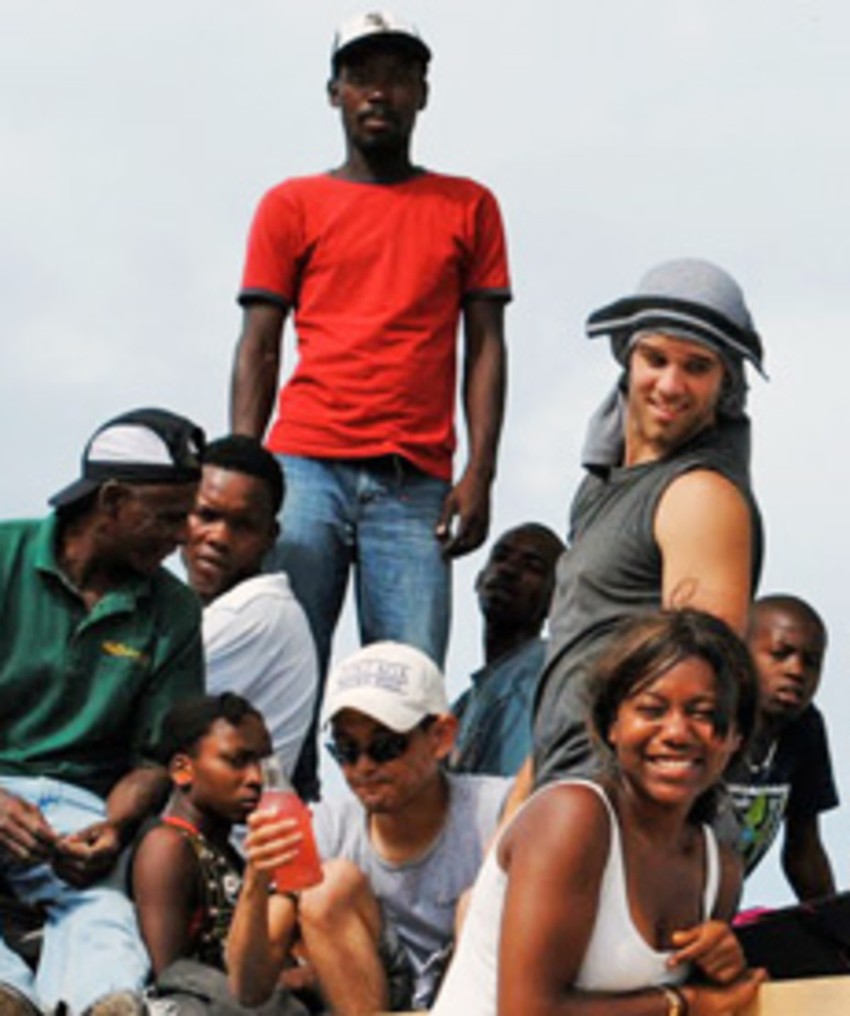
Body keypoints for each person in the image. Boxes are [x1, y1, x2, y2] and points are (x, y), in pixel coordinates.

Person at [230, 11, 511, 797]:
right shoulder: (290, 204)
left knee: (409, 689)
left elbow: (485, 343)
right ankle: (279, 862)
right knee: (283, 670)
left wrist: (480, 469)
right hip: (304, 467)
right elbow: (259, 341)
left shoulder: (469, 205)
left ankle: (398, 877)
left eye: (396, 75)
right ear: (334, 94)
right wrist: (243, 474)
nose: (378, 92)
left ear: (423, 93)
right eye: (361, 76)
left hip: (413, 481)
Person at [433, 609, 766, 1016]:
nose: (677, 732)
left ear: (735, 736)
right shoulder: (571, 818)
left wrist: (721, 969)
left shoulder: (718, 872)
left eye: (702, 713)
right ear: (613, 725)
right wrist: (684, 1001)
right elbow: (527, 1012)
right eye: (652, 709)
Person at [0, 408, 206, 1015]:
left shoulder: (174, 610)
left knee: (103, 908)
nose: (183, 535)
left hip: (78, 810)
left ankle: (106, 1004)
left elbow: (157, 757)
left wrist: (113, 829)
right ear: (112, 501)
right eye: (168, 517)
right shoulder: (4, 556)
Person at [532, 257, 766, 788]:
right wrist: (522, 802)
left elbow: (697, 692)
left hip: (621, 798)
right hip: (566, 781)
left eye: (697, 366)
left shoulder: (698, 496)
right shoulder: (602, 485)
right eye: (655, 358)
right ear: (627, 359)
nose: (670, 384)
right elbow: (575, 653)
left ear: (725, 382)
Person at [227, 641, 509, 1015]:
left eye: (385, 746)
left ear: (440, 737)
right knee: (328, 887)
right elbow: (249, 988)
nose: (363, 766)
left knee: (483, 899)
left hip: (476, 998)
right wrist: (256, 880)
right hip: (375, 997)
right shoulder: (326, 828)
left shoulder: (499, 810)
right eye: (345, 750)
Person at [131, 693, 308, 1016]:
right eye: (237, 761)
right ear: (183, 770)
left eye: (263, 763)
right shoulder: (168, 846)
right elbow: (173, 979)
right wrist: (292, 980)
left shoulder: (227, 852)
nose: (256, 778)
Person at [183, 436, 318, 780]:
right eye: (206, 515)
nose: (219, 537)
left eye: (242, 525)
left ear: (270, 536)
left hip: (222, 831)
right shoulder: (200, 609)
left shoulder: (256, 612)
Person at [720, 594, 837, 901]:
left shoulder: (805, 728)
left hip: (718, 919)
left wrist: (836, 934)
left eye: (811, 662)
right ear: (740, 655)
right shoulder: (709, 718)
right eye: (780, 654)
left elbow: (804, 849)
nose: (796, 671)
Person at [449, 523, 564, 775]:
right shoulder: (463, 706)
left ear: (556, 600)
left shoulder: (545, 671)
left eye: (532, 567)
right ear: (478, 580)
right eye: (500, 557)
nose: (509, 570)